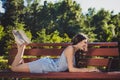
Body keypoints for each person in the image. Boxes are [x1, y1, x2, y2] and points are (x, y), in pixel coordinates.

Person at [11, 33, 100, 73]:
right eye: (85, 42)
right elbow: (72, 69)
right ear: (79, 41)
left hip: (48, 65)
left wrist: (85, 48)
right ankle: (22, 46)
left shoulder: (75, 51)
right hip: (44, 66)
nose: (86, 44)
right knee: (14, 68)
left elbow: (71, 68)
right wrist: (89, 69)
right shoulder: (70, 49)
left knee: (16, 68)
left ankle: (21, 46)